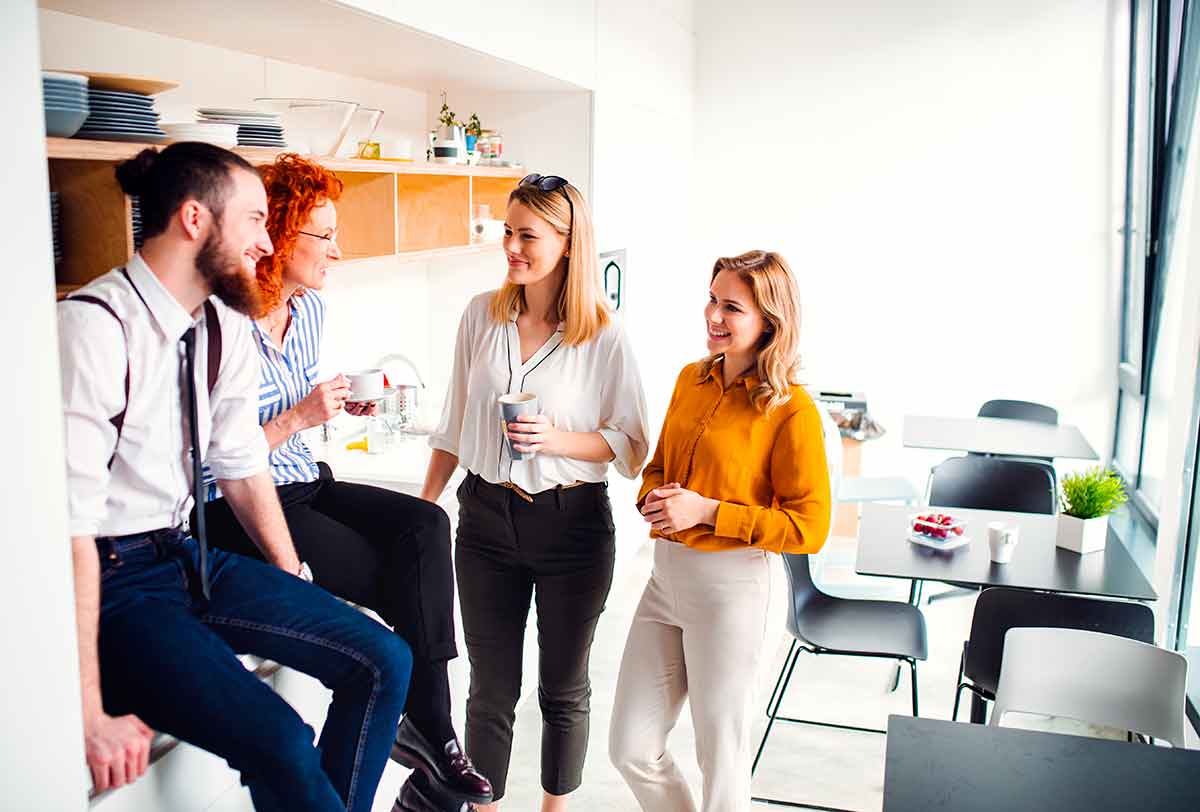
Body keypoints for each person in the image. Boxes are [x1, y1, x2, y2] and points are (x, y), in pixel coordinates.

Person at [58, 142, 412, 812]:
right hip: (114, 584)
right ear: (195, 219)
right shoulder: (92, 328)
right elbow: (68, 527)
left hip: (185, 556)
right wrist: (87, 714)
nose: (265, 239)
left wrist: (288, 574)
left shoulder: (221, 322)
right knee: (280, 737)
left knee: (384, 660)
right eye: (254, 220)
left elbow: (242, 459)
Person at [195, 153, 491, 808]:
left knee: (427, 523)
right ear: (275, 235)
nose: (337, 250)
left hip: (305, 480)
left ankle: (430, 728)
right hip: (244, 508)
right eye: (323, 236)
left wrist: (330, 410)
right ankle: (432, 737)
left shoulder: (310, 312)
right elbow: (219, 458)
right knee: (400, 578)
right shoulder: (225, 324)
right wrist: (299, 415)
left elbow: (295, 421)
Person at [421, 174, 649, 811]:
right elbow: (453, 419)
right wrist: (426, 506)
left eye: (527, 235)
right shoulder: (481, 316)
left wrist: (556, 438)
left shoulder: (604, 335)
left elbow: (630, 443)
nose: (511, 247)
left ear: (568, 242)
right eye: (507, 232)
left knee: (562, 688)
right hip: (484, 519)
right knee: (488, 689)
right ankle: (485, 807)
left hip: (571, 526)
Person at [608, 250, 832, 812]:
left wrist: (707, 512)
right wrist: (653, 500)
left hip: (732, 594)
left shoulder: (791, 411)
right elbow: (660, 465)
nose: (714, 315)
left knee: (721, 756)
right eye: (712, 299)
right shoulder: (692, 379)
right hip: (664, 583)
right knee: (631, 747)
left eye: (732, 306)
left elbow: (810, 528)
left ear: (769, 321)